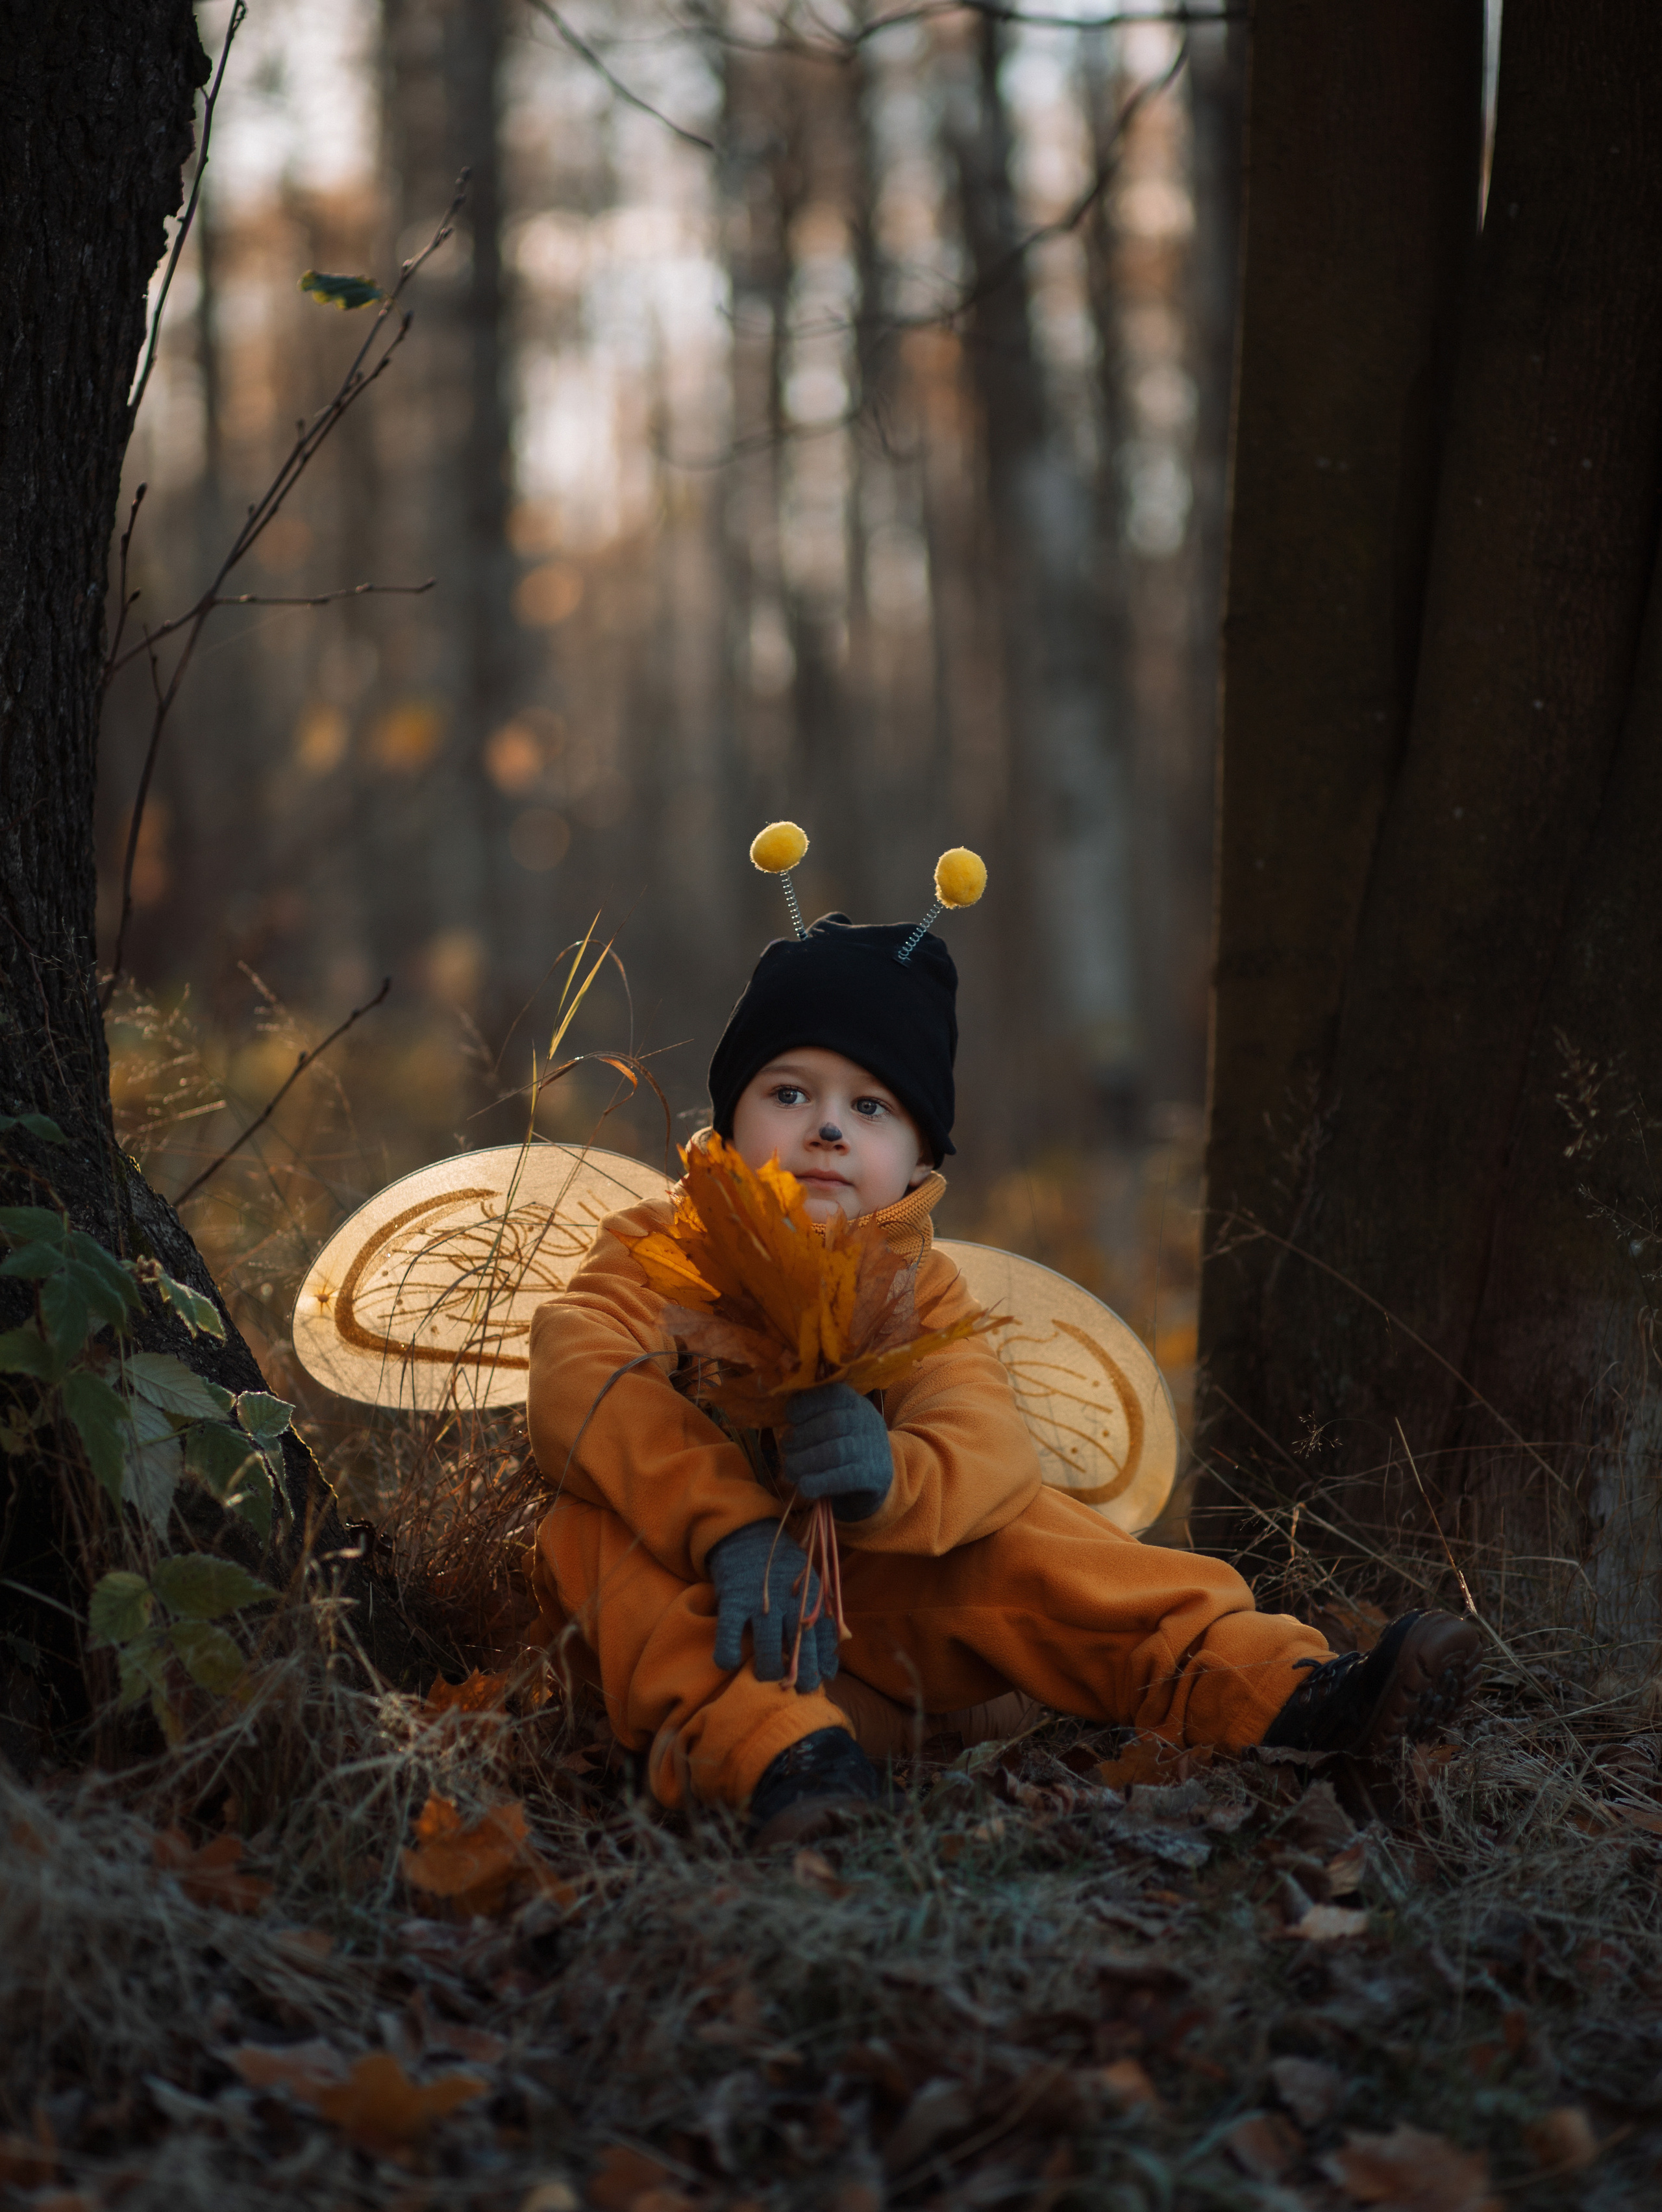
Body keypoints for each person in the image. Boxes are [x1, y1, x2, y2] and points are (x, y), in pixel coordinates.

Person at [526, 854, 1481, 1846]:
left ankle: (1284, 1694)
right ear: (728, 1120)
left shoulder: (918, 1289)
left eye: (872, 1108)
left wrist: (890, 1480)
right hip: (720, 1665)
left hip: (905, 1663)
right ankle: (789, 1772)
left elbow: (983, 1438)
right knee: (590, 1522)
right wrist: (726, 1528)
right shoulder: (662, 1249)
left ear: (920, 1160)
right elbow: (576, 1367)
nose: (828, 1131)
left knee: (1025, 1529)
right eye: (790, 1092)